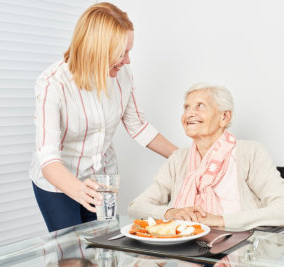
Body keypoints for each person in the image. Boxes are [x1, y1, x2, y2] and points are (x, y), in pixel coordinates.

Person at [29, 2, 177, 232]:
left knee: (102, 250)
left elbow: (138, 126)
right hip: (59, 183)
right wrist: (78, 190)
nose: (127, 60)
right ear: (97, 50)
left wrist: (184, 158)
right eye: (122, 53)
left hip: (103, 179)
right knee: (72, 257)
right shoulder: (53, 85)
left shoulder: (122, 75)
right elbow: (48, 160)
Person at [128, 82, 284, 230]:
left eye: (200, 106)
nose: (190, 113)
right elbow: (136, 207)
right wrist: (171, 212)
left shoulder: (250, 152)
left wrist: (221, 221)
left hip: (239, 247)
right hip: (185, 247)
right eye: (186, 107)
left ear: (224, 117)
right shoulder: (178, 159)